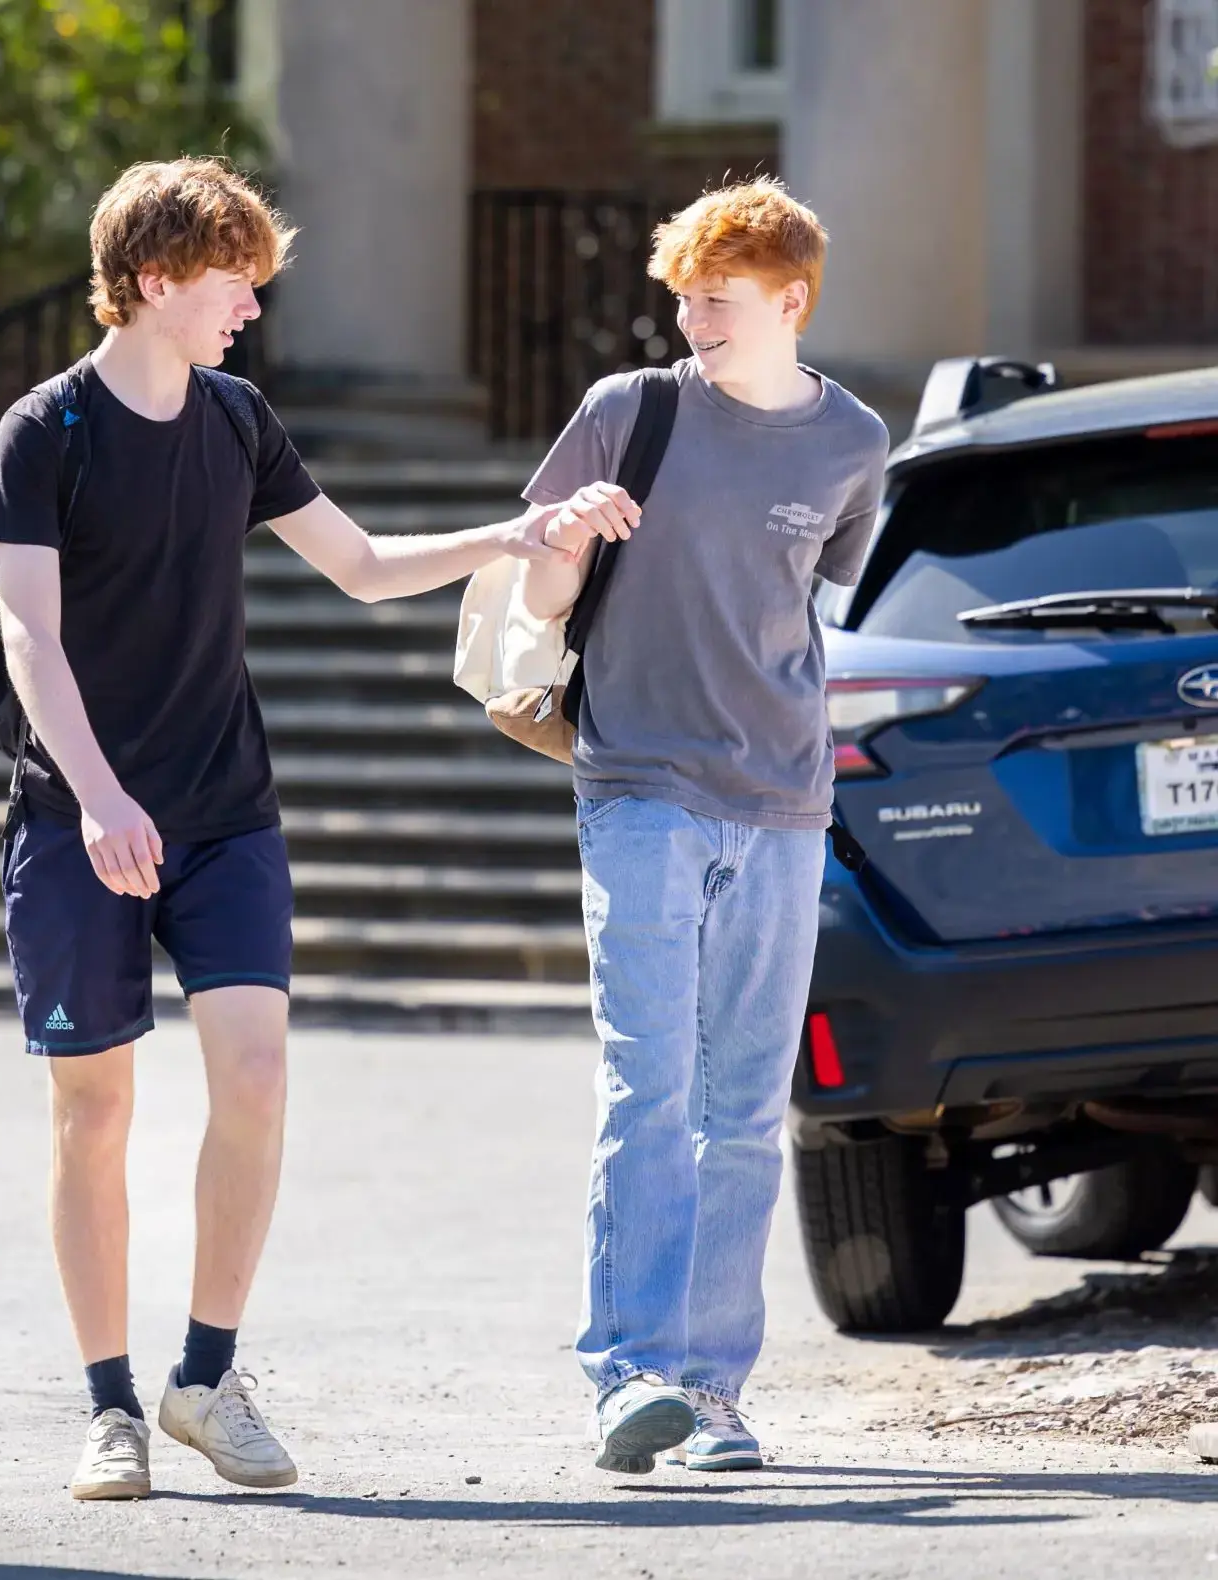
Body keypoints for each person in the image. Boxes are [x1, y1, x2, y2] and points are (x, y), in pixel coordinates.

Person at [0, 157, 574, 1501]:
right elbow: (26, 632)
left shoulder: (238, 421)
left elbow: (359, 571)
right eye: (235, 277)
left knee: (253, 1078)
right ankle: (109, 1406)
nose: (251, 303)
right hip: (83, 816)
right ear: (156, 280)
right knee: (96, 1111)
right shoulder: (47, 431)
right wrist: (100, 795)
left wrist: (514, 534)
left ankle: (204, 1378)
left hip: (226, 810)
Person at [515, 178, 888, 1475]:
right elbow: (544, 585)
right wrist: (563, 535)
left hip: (784, 800)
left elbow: (811, 605)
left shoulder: (854, 443)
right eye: (682, 297)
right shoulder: (631, 412)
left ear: (791, 302)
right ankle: (625, 1381)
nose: (692, 319)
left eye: (717, 300)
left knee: (740, 1110)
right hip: (639, 785)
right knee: (649, 1083)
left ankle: (714, 1391)